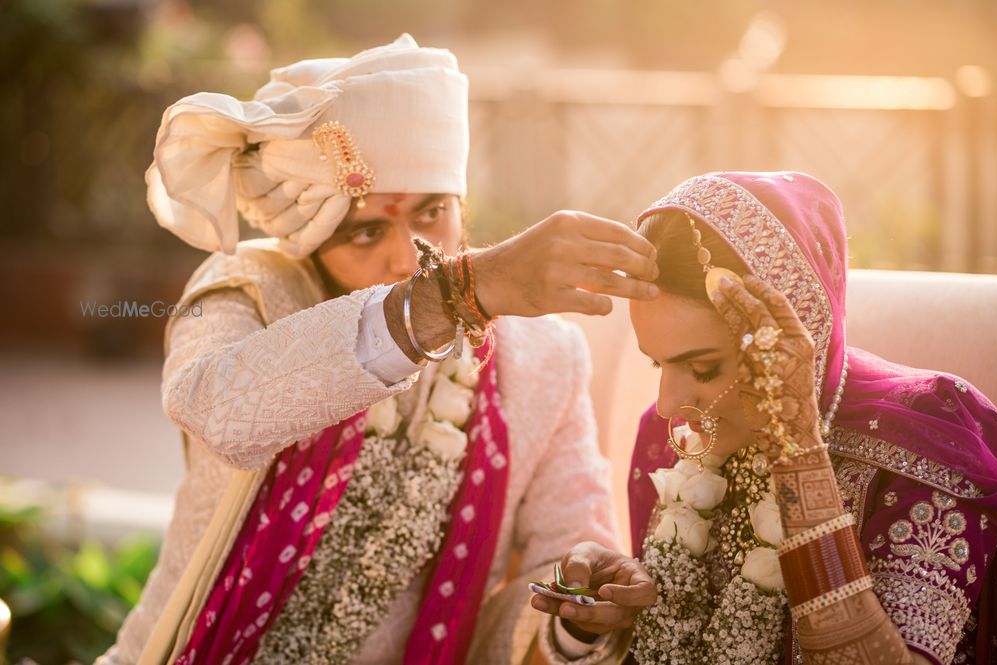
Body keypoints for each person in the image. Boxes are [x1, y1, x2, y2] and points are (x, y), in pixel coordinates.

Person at [98, 35, 663, 665]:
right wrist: (455, 296)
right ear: (307, 241)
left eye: (432, 213)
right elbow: (218, 412)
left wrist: (575, 613)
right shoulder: (251, 289)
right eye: (365, 231)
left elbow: (560, 560)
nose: (404, 257)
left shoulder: (541, 358)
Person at [531, 171, 997, 664]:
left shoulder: (927, 435)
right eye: (656, 363)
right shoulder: (671, 435)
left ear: (797, 335)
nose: (668, 405)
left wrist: (796, 452)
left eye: (704, 367)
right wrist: (597, 626)